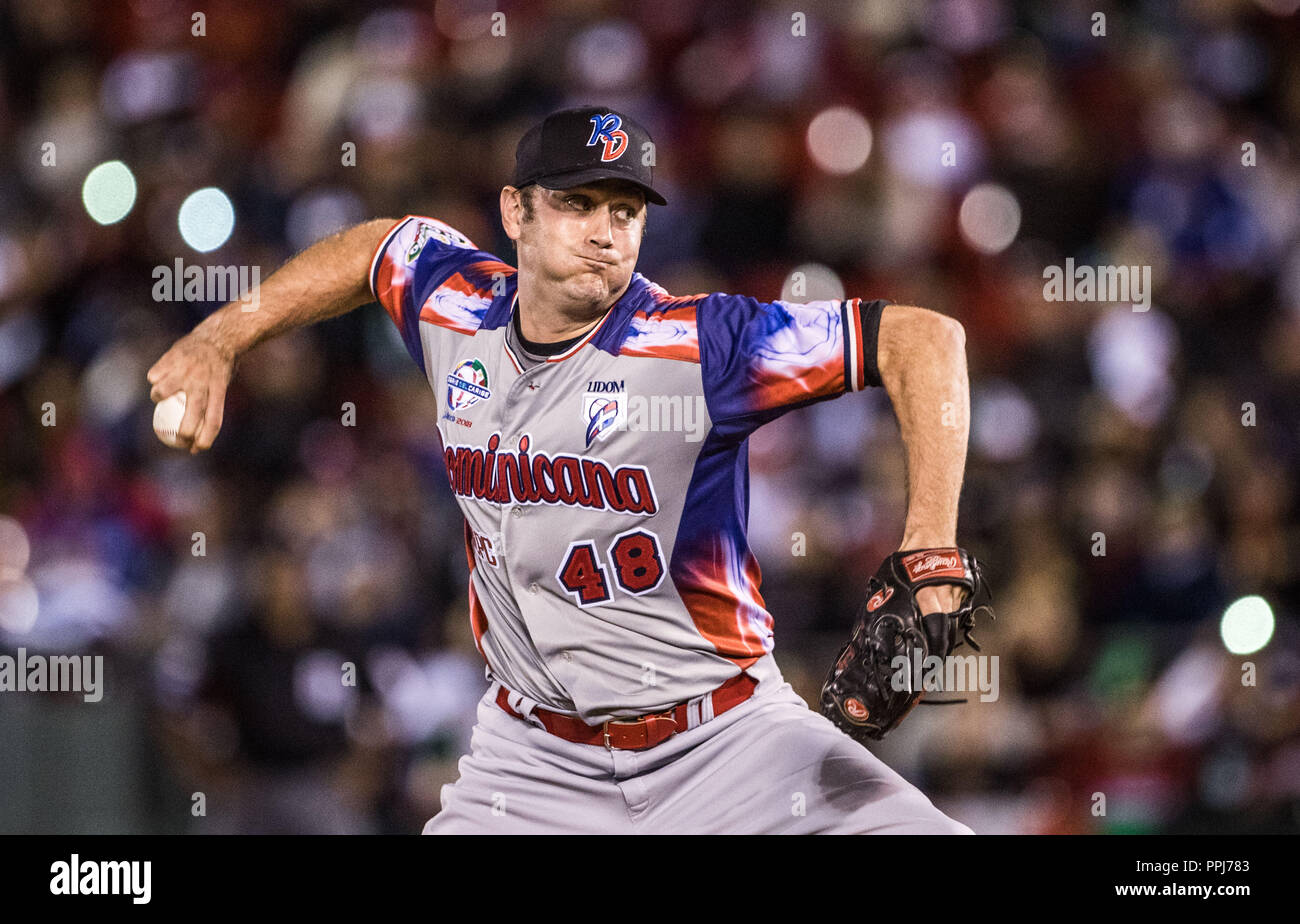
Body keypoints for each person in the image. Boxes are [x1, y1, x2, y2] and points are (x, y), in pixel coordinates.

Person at [148, 106, 975, 833]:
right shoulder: (456, 307)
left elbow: (925, 338)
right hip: (533, 761)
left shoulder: (699, 343)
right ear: (516, 210)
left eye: (625, 210)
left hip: (728, 742)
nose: (604, 232)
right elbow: (376, 250)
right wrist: (222, 336)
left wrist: (929, 545)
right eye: (576, 203)